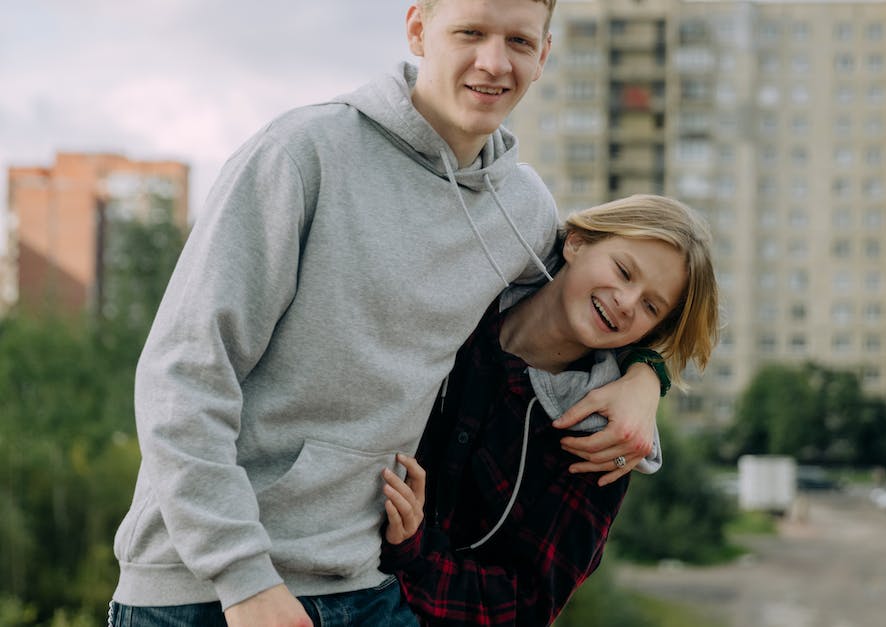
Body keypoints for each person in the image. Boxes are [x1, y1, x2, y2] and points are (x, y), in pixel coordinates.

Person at [109, 1, 665, 625]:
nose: (493, 61)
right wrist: (243, 579)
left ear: (543, 57)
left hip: (364, 581)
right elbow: (182, 375)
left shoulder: (524, 210)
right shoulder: (303, 153)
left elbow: (599, 302)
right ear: (418, 29)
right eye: (470, 33)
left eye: (518, 41)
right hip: (207, 589)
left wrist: (648, 377)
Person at [377, 195, 720, 626]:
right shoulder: (467, 289)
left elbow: (526, 605)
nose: (628, 302)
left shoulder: (601, 438)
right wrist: (648, 373)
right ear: (576, 243)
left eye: (652, 306)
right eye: (624, 270)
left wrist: (413, 552)